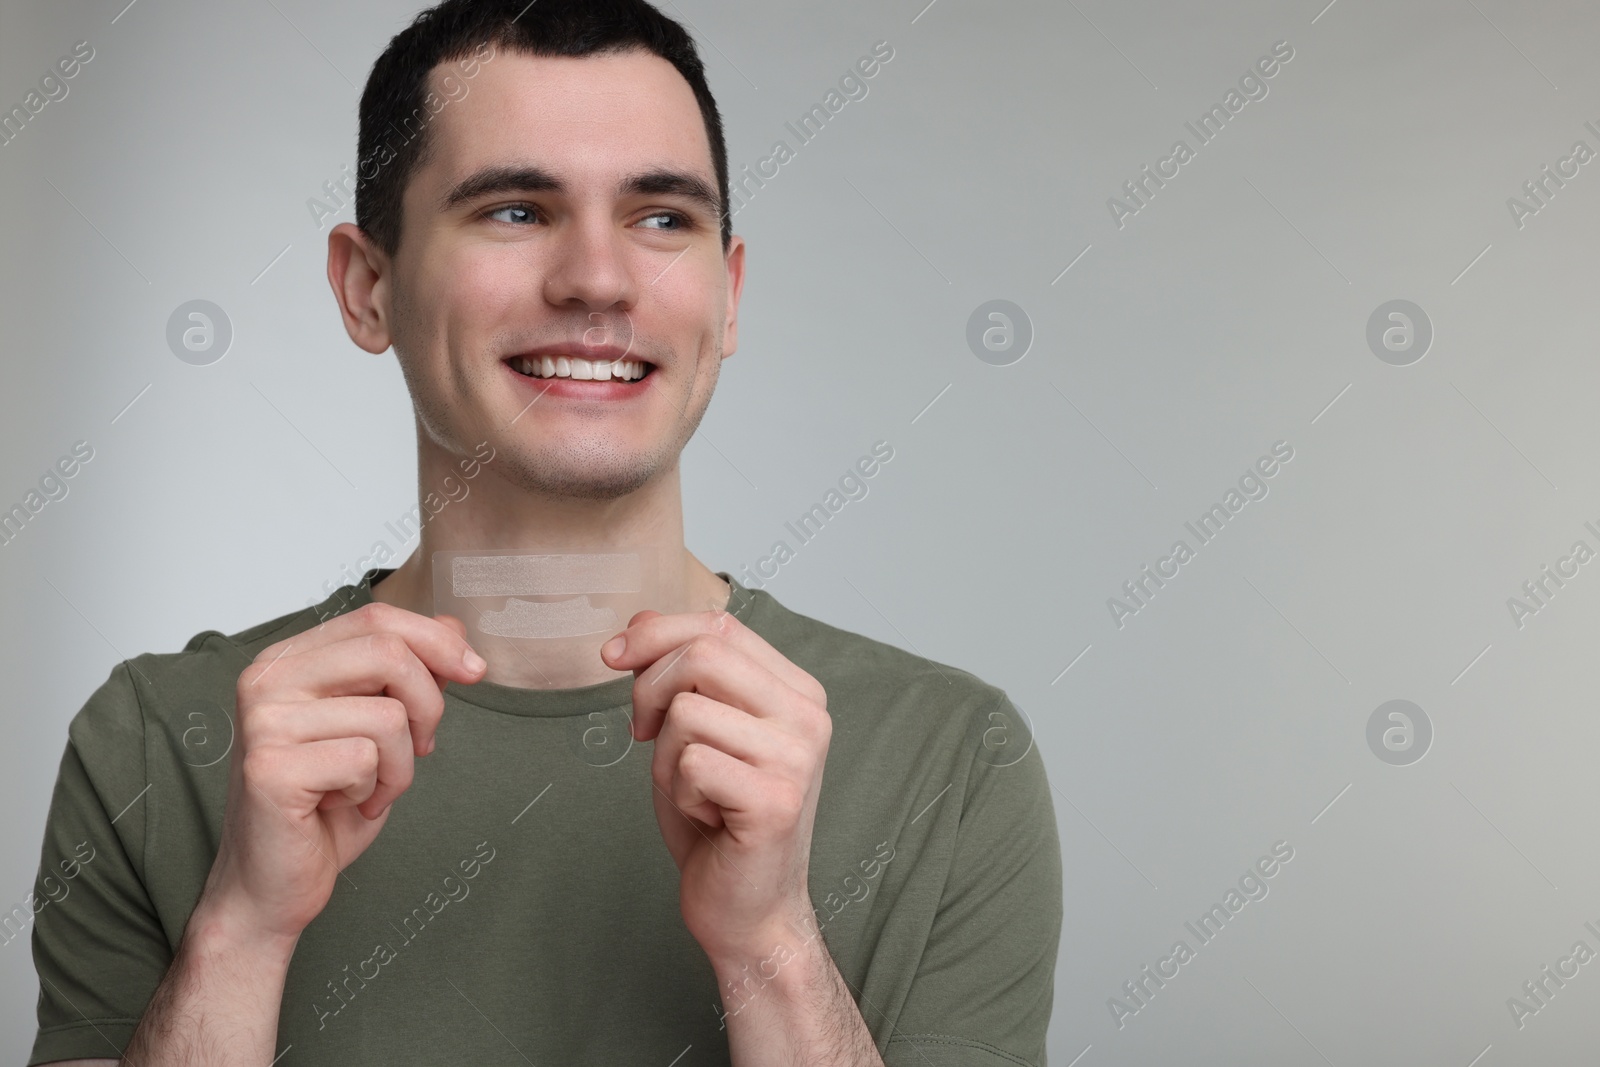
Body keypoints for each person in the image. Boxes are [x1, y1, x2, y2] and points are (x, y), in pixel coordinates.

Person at [24, 1, 1062, 1063]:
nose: (599, 279)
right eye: (516, 210)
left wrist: (773, 949)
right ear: (367, 285)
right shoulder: (155, 745)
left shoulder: (951, 761)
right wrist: (240, 927)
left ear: (728, 294)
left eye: (662, 217)